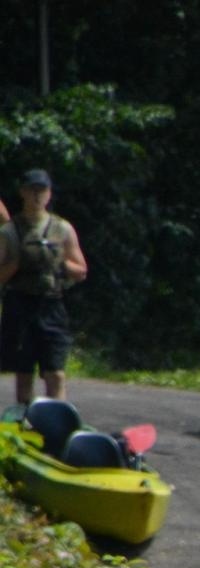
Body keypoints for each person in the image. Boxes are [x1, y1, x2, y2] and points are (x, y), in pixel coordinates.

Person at [0, 170, 87, 405]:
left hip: (51, 304)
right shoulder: (9, 231)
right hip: (20, 303)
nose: (37, 195)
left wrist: (59, 262)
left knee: (55, 373)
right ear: (23, 192)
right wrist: (16, 263)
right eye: (32, 190)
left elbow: (81, 270)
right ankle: (24, 421)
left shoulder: (62, 228)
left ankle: (56, 419)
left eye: (42, 190)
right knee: (23, 373)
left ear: (49, 194)